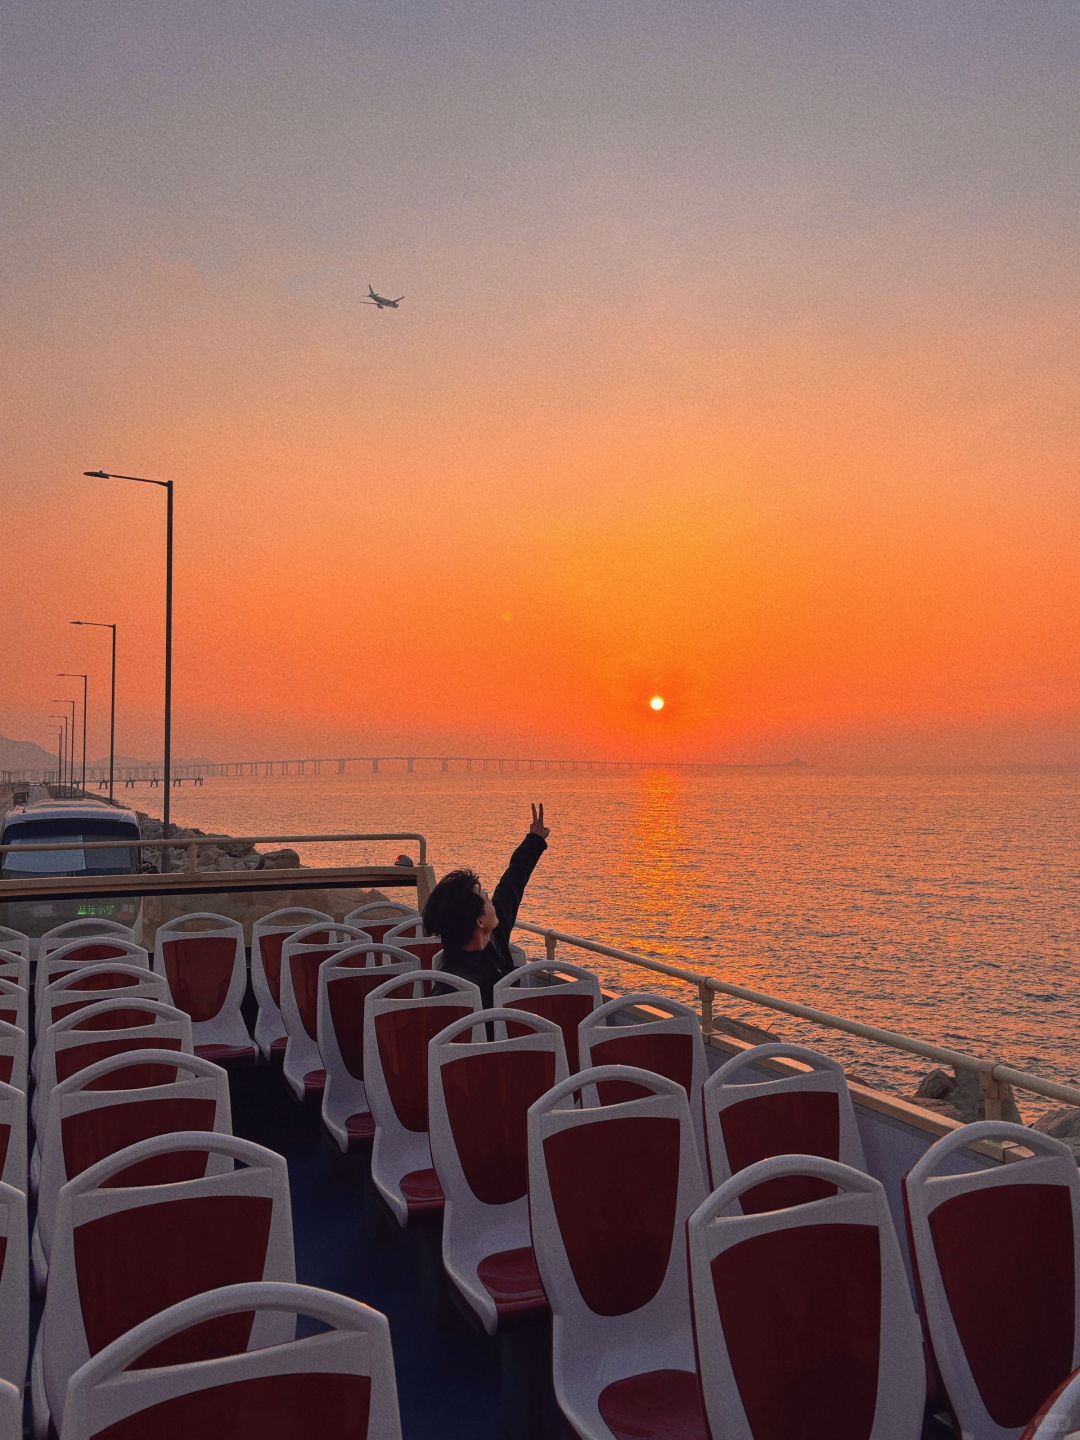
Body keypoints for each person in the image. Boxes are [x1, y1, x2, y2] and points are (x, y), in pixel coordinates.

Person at [423, 803, 549, 1006]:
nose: (494, 903)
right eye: (487, 899)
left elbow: (511, 885)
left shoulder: (494, 939)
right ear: (480, 921)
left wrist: (534, 840)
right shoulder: (451, 990)